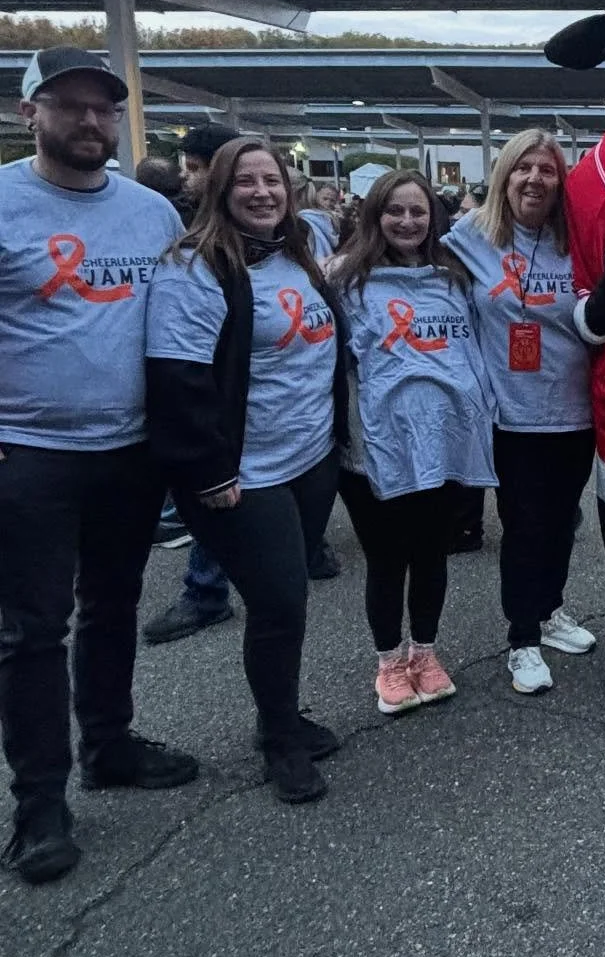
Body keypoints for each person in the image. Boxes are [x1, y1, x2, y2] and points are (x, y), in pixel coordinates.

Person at [0, 47, 197, 887]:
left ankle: (108, 742)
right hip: (28, 453)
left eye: (103, 109)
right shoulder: (5, 202)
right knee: (31, 630)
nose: (89, 122)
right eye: (68, 106)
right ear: (29, 113)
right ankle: (40, 802)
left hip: (129, 449)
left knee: (112, 604)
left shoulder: (152, 212)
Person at [146, 139, 348, 804]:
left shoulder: (296, 254)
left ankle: (279, 714)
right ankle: (280, 743)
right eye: (246, 181)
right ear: (218, 190)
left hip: (310, 458)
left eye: (273, 181)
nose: (263, 192)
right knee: (279, 602)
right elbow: (178, 379)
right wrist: (208, 472)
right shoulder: (195, 266)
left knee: (286, 602)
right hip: (245, 471)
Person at [330, 171, 497, 716]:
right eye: (395, 211)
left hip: (445, 441)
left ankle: (424, 651)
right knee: (386, 559)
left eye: (418, 211)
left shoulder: (454, 278)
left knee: (431, 554)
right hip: (375, 446)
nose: (407, 221)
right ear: (374, 215)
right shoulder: (344, 281)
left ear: (433, 217)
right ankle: (388, 662)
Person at [444, 130, 596, 694]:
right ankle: (522, 637)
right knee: (522, 526)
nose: (534, 179)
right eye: (523, 168)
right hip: (511, 414)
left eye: (547, 170)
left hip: (576, 411)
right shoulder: (470, 238)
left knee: (562, 522)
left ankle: (551, 609)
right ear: (504, 176)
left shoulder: (574, 242)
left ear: (561, 183)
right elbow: (407, 263)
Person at [144, 122, 245, 642]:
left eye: (194, 168)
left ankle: (207, 590)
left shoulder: (280, 241)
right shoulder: (186, 240)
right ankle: (206, 589)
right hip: (219, 412)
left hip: (257, 416)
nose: (187, 178)